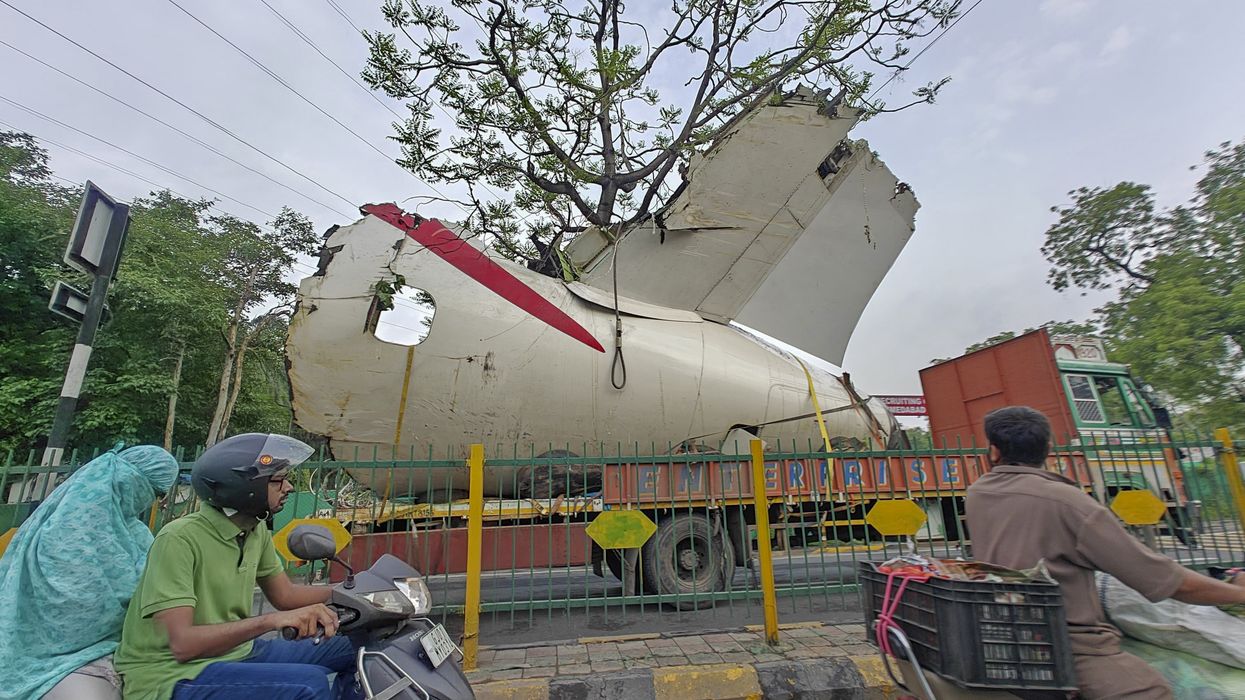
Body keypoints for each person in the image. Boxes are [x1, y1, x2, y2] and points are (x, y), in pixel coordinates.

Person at [966, 406, 1245, 699]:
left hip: (1001, 631)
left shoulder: (978, 493)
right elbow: (1167, 581)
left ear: (993, 451)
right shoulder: (1069, 502)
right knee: (1154, 690)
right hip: (1066, 644)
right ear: (1049, 448)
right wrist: (1238, 594)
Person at [114, 434, 357, 700]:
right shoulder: (179, 538)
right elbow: (183, 645)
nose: (288, 487)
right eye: (277, 480)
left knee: (357, 648)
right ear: (243, 487)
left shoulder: (254, 529)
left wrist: (360, 590)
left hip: (237, 651)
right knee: (309, 684)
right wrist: (270, 621)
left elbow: (285, 595)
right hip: (171, 673)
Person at [0, 444, 180, 700]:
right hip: (53, 655)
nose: (154, 501)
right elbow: (75, 604)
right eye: (156, 492)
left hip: (129, 650)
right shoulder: (66, 529)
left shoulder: (134, 530)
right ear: (135, 483)